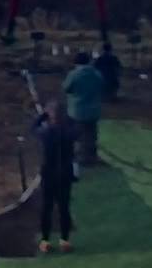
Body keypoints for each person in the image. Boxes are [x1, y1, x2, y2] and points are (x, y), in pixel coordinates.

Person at [32, 101, 77, 254]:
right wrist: (68, 118)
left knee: (47, 208)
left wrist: (43, 115)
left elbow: (33, 128)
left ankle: (45, 241)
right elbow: (78, 129)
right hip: (65, 174)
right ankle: (65, 240)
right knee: (64, 208)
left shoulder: (46, 133)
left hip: (49, 174)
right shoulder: (69, 133)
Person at [64, 52, 104, 164]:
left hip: (77, 110)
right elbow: (101, 87)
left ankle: (80, 157)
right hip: (94, 110)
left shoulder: (74, 74)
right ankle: (92, 156)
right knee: (91, 134)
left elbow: (66, 88)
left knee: (76, 135)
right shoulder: (97, 74)